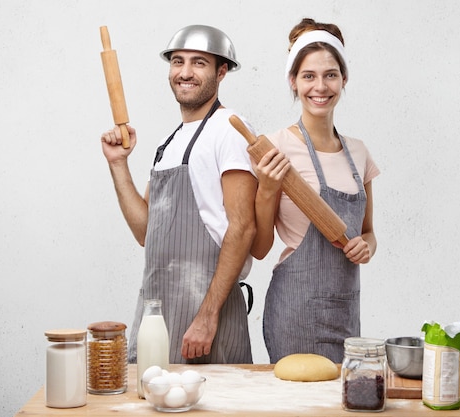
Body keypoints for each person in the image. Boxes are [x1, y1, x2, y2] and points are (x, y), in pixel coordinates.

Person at [100, 25, 256, 364]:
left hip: (206, 313)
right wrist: (118, 165)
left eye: (199, 63)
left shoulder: (229, 129)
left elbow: (243, 228)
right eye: (177, 62)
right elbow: (145, 231)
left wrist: (207, 315)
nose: (184, 73)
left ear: (221, 71)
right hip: (158, 313)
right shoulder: (167, 144)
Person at [251, 18, 380, 363]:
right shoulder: (275, 149)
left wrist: (365, 248)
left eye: (330, 75)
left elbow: (368, 233)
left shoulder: (359, 152)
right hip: (294, 311)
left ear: (344, 79)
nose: (319, 86)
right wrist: (266, 189)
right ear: (293, 82)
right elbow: (261, 248)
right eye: (308, 76)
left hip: (345, 312)